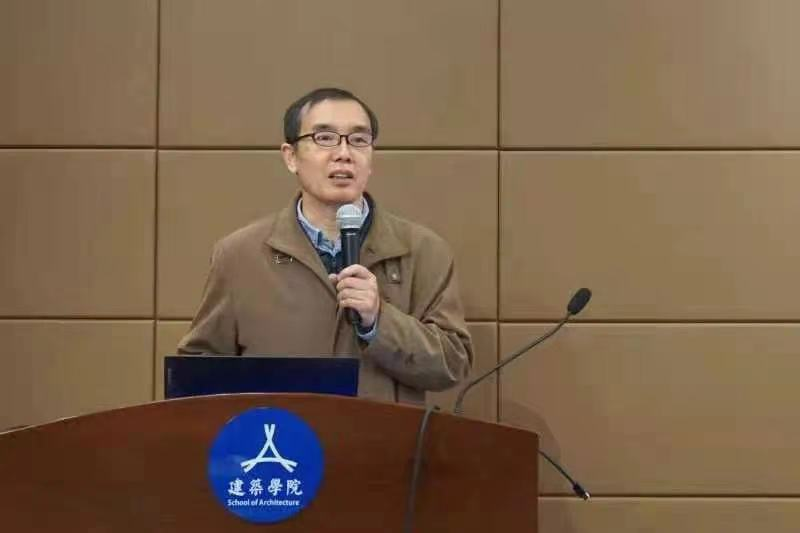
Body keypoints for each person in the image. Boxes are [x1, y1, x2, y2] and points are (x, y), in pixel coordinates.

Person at [178, 87, 472, 404]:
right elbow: (198, 372)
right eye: (325, 138)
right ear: (291, 157)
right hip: (283, 435)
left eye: (358, 140)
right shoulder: (240, 256)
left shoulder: (423, 251)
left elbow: (452, 364)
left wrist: (379, 320)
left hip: (384, 436)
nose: (344, 153)